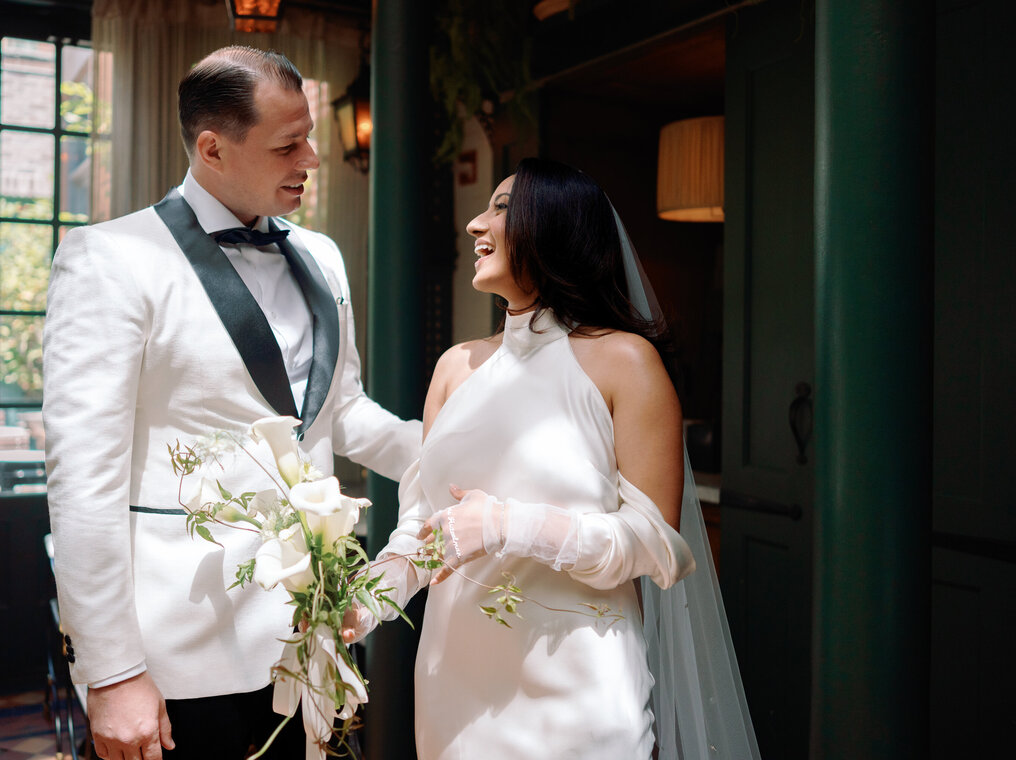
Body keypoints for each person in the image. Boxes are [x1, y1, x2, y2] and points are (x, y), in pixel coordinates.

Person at [43, 46, 421, 760]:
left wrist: (456, 450)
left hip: (305, 640)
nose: (311, 157)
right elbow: (82, 482)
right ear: (213, 148)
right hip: (176, 651)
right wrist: (114, 672)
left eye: (308, 135)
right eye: (288, 144)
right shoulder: (110, 259)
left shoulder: (323, 256)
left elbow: (341, 413)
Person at [345, 158, 761, 759]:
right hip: (453, 687)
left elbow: (655, 545)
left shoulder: (624, 362)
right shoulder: (454, 367)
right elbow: (425, 532)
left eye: (501, 208)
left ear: (557, 227)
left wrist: (506, 525)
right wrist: (363, 601)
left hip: (577, 691)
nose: (474, 223)